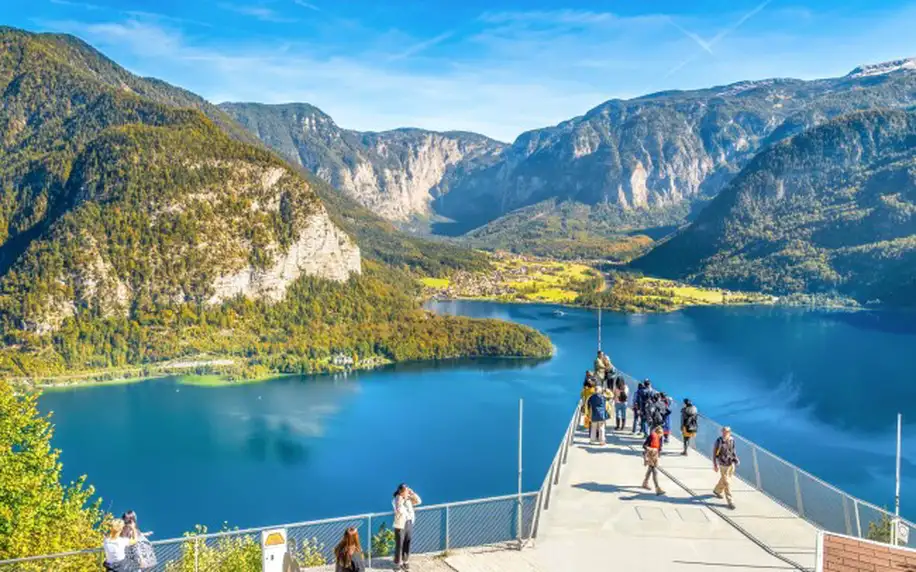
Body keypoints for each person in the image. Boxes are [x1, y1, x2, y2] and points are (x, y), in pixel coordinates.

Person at [392, 483, 422, 570]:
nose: (407, 492)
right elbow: (399, 510)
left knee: (407, 542)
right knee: (399, 545)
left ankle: (405, 561)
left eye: (408, 490)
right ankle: (398, 563)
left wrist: (412, 494)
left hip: (409, 523)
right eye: (406, 491)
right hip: (400, 525)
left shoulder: (409, 499)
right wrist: (402, 499)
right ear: (401, 492)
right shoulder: (396, 500)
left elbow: (419, 501)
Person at [713, 426, 740, 509]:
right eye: (723, 432)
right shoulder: (719, 441)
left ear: (729, 432)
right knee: (727, 483)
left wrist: (736, 459)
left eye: (726, 432)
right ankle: (730, 502)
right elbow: (714, 453)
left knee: (725, 480)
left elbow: (733, 451)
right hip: (722, 464)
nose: (724, 433)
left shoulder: (732, 440)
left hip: (731, 464)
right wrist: (715, 464)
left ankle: (717, 490)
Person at [642, 426, 666, 495]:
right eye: (660, 433)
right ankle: (657, 488)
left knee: (650, 470)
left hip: (654, 456)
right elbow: (644, 446)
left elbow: (659, 447)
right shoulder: (651, 436)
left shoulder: (659, 438)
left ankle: (645, 483)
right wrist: (651, 450)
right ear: (657, 432)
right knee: (655, 471)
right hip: (650, 455)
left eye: (662, 433)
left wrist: (658, 453)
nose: (661, 435)